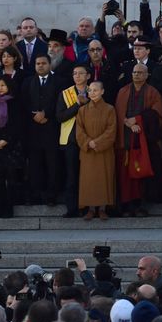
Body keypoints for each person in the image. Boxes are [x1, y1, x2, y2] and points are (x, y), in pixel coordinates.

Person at [114, 63, 162, 217]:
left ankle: (142, 205)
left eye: (140, 72)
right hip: (126, 139)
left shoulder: (153, 92)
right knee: (125, 175)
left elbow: (157, 115)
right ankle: (127, 205)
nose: (136, 75)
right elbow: (117, 113)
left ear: (147, 75)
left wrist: (138, 120)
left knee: (143, 173)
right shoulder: (123, 91)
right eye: (134, 72)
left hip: (144, 141)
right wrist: (126, 121)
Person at [23, 54, 64, 205]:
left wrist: (46, 114)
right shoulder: (28, 82)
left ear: (49, 65)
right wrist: (34, 115)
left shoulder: (59, 82)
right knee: (34, 164)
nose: (40, 66)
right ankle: (35, 195)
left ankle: (51, 195)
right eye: (37, 63)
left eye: (43, 63)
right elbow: (24, 102)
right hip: (33, 130)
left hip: (51, 129)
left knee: (52, 164)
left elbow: (60, 101)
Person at [76, 81, 116, 221]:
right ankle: (91, 209)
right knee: (88, 180)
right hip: (88, 151)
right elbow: (79, 131)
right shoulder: (82, 110)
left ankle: (103, 208)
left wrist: (97, 143)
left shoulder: (110, 109)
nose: (92, 93)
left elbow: (111, 130)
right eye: (90, 90)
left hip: (103, 151)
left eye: (95, 90)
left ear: (102, 91)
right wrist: (88, 142)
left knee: (104, 178)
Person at [0, 75, 25, 218]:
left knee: (11, 177)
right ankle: (1, 207)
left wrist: (6, 140)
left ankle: (9, 207)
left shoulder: (15, 102)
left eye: (3, 85)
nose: (0, 88)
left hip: (11, 145)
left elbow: (17, 124)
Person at [56, 64, 90, 218]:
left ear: (88, 76)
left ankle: (88, 206)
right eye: (74, 73)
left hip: (89, 138)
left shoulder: (94, 90)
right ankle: (72, 208)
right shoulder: (65, 93)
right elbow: (60, 116)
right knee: (71, 175)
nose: (77, 76)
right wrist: (77, 105)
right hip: (70, 139)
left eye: (80, 73)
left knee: (88, 174)